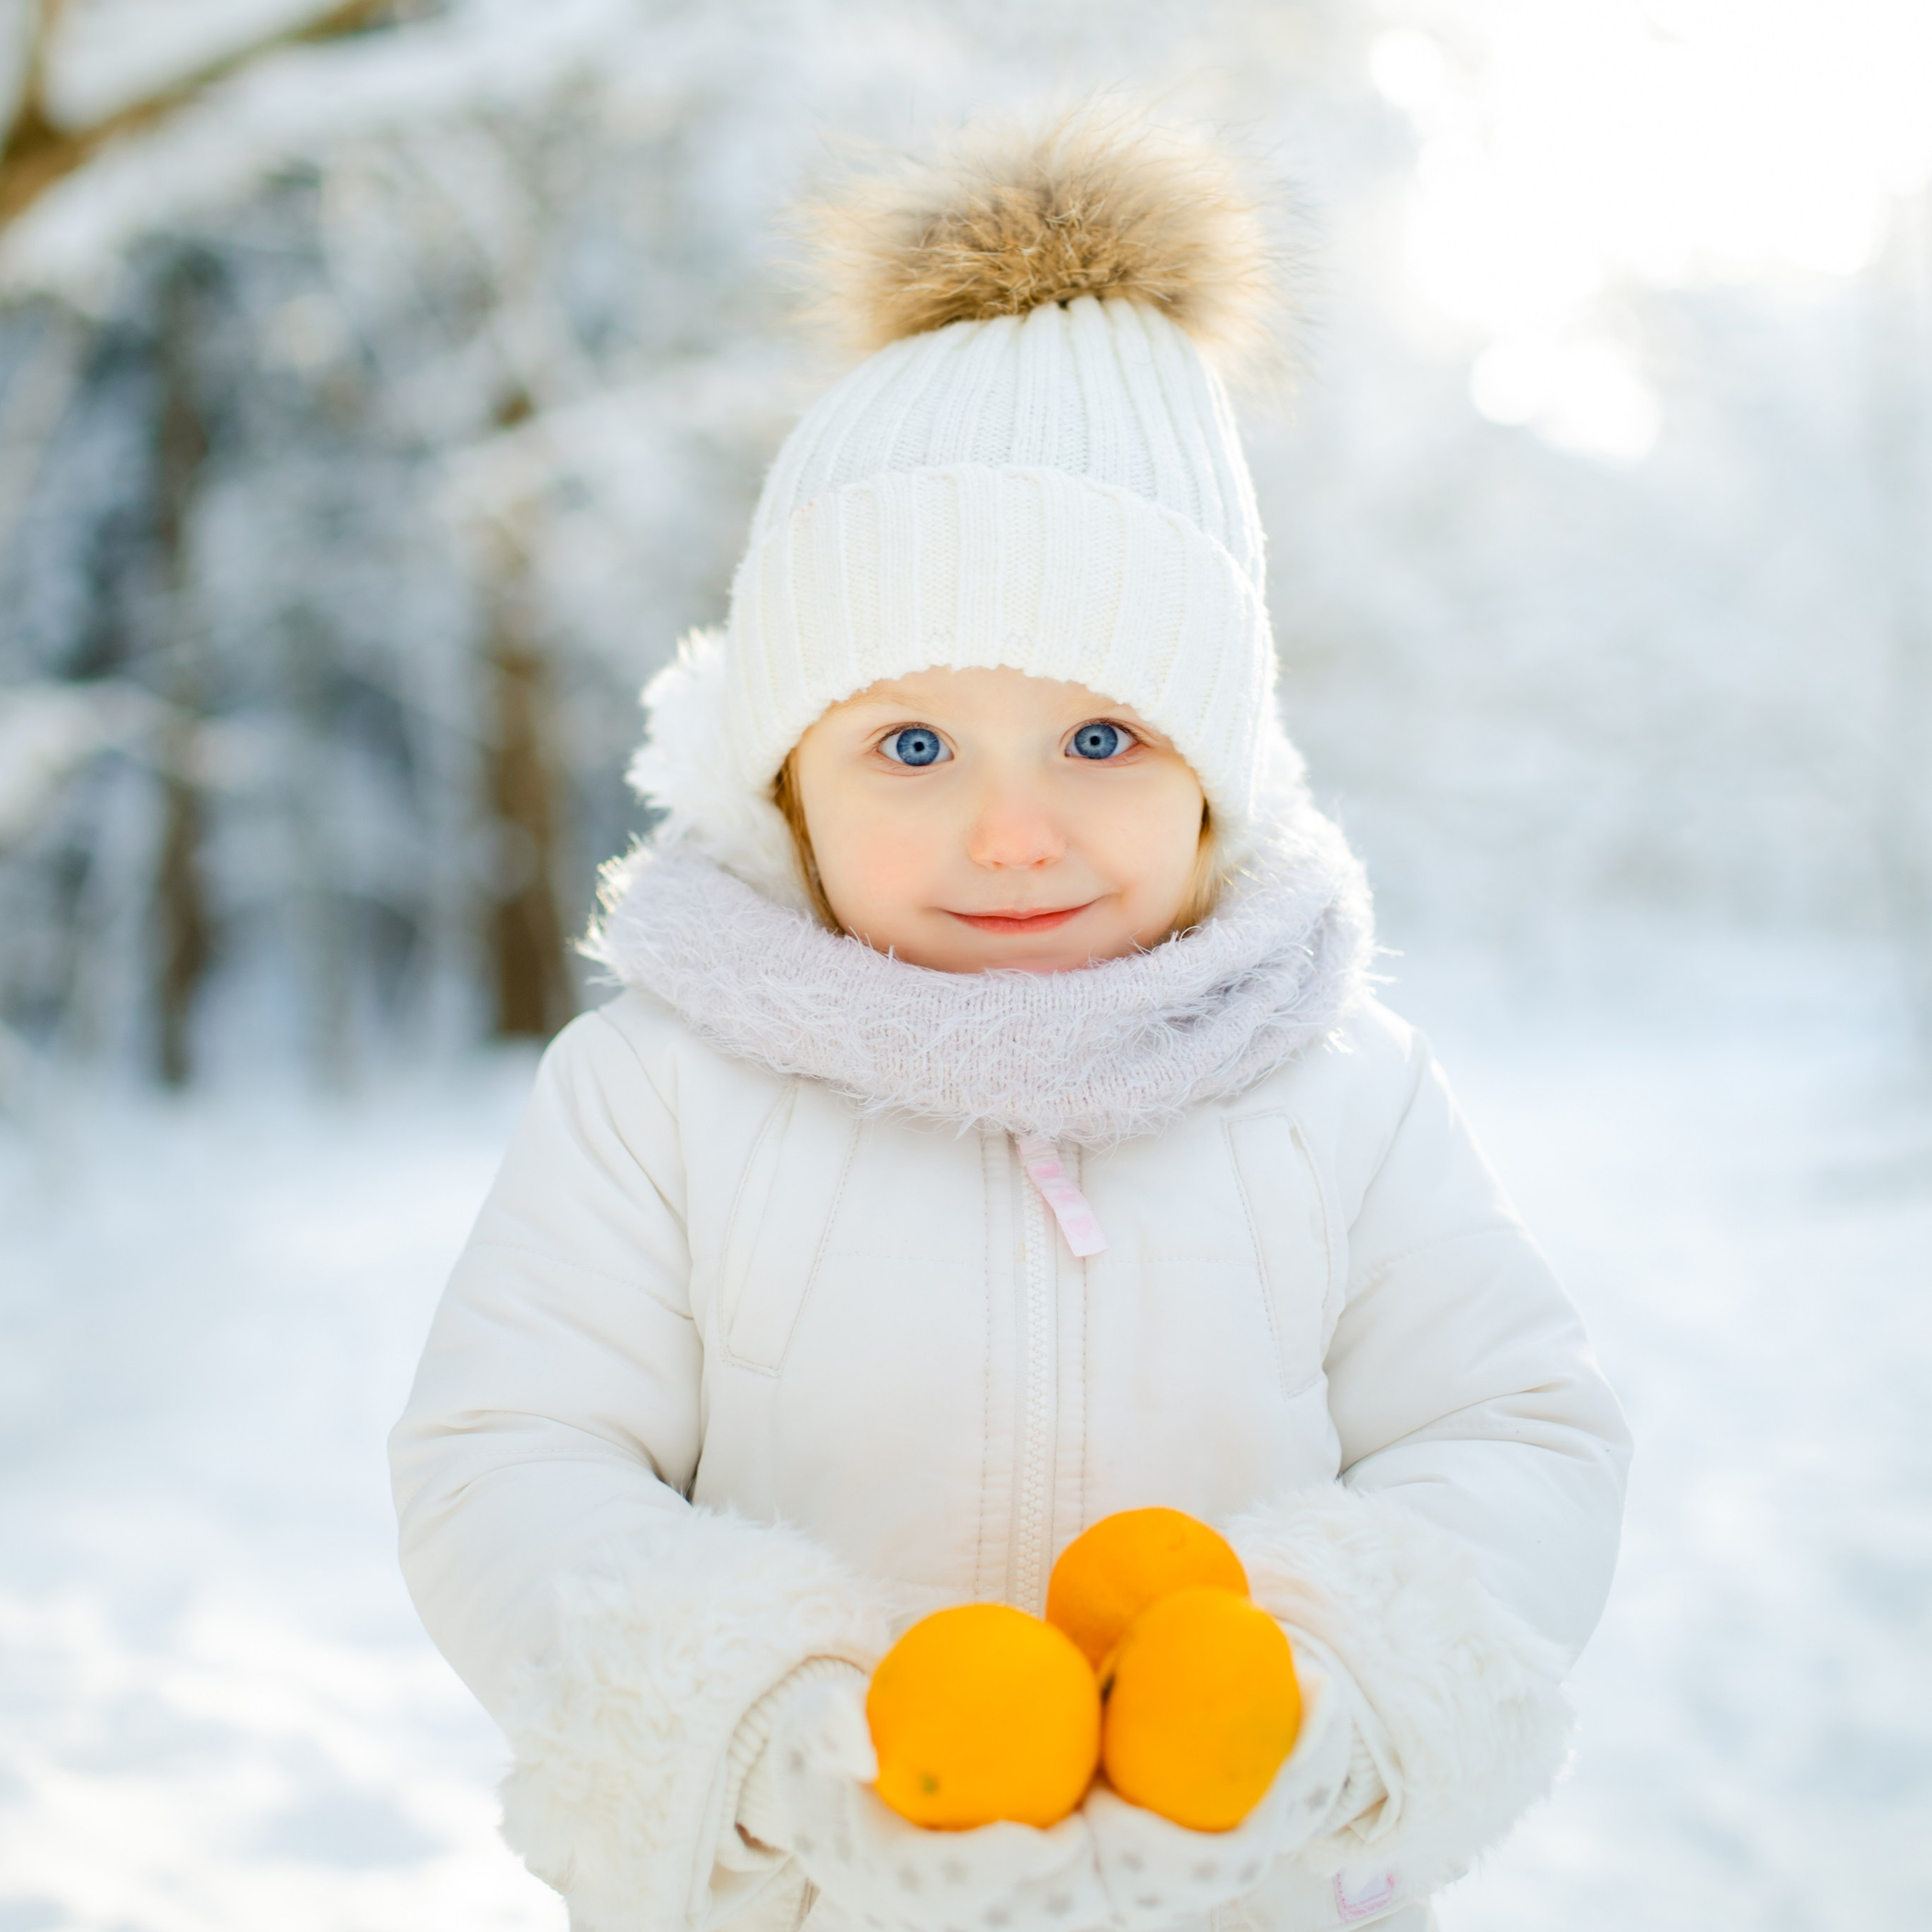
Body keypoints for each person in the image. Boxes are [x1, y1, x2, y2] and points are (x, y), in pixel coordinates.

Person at [389, 108, 1630, 1932]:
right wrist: (763, 1729)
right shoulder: (658, 1093)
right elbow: (512, 1457)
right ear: (784, 781)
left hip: (1243, 1883)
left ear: (1215, 776)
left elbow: (1513, 1427)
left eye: (1100, 736)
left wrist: (1320, 1686)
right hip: (804, 1883)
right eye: (910, 744)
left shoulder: (1339, 1089)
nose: (1011, 830)